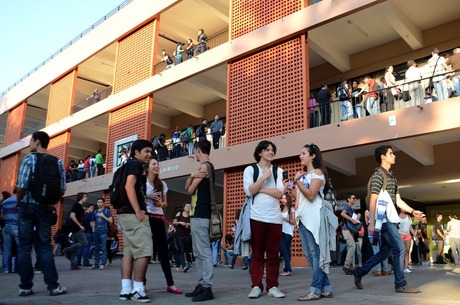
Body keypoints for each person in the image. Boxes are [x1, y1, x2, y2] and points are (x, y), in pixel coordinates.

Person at [353, 144, 422, 294]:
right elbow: (373, 199)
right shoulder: (378, 175)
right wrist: (371, 222)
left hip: (389, 218)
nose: (394, 155)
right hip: (383, 219)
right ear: (383, 157)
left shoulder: (392, 177)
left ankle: (359, 272)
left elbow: (398, 200)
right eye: (391, 153)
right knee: (399, 247)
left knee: (384, 252)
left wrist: (412, 211)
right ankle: (400, 284)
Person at [16, 131, 67, 296]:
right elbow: (62, 189)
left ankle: (25, 286)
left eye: (31, 140)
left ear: (37, 142)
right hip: (45, 208)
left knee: (24, 247)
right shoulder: (57, 162)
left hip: (27, 206)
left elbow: (22, 185)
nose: (30, 143)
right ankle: (53, 286)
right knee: (44, 246)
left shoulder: (29, 159)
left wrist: (18, 202)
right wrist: (50, 202)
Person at [293, 143, 336, 301]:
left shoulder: (318, 172)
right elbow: (301, 198)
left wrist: (297, 181)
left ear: (312, 156)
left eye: (304, 153)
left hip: (314, 216)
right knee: (310, 255)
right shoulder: (304, 175)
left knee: (315, 254)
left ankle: (315, 289)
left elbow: (311, 195)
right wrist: (291, 187)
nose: (300, 156)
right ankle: (326, 288)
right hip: (303, 217)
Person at [244, 140, 285, 299]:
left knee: (274, 255)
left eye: (272, 150)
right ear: (260, 152)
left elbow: (279, 193)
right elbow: (248, 191)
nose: (271, 152)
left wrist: (260, 188)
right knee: (258, 254)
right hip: (256, 216)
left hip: (275, 218)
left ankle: (273, 286)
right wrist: (263, 178)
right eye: (267, 149)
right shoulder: (250, 169)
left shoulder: (278, 171)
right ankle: (256, 286)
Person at [117, 139, 154, 302]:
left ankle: (125, 289)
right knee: (144, 251)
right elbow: (129, 186)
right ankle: (138, 289)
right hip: (133, 214)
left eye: (150, 151)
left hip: (124, 213)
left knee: (129, 252)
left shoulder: (127, 165)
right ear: (136, 152)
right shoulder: (134, 165)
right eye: (146, 151)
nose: (149, 154)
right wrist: (138, 210)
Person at [145, 157, 183, 294]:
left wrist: (160, 204)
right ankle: (141, 283)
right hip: (146, 218)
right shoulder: (142, 183)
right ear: (147, 167)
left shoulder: (162, 184)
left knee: (163, 252)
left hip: (159, 217)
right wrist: (148, 196)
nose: (156, 166)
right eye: (153, 164)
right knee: (146, 251)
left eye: (157, 164)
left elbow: (165, 203)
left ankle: (171, 284)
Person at [184, 140, 215, 302]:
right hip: (197, 214)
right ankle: (202, 284)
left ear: (197, 150)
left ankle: (207, 287)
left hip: (202, 214)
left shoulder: (205, 167)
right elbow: (187, 186)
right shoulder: (202, 167)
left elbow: (189, 189)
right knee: (198, 252)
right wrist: (191, 175)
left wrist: (193, 176)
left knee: (203, 252)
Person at [63, 192, 89, 270]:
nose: (86, 198)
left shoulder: (80, 206)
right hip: (76, 228)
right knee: (84, 242)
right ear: (80, 197)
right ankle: (66, 250)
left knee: (74, 247)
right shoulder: (77, 205)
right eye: (85, 196)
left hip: (74, 228)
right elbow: (72, 215)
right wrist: (79, 225)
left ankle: (73, 264)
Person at [1, 189, 19, 273]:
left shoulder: (5, 202)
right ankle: (20, 267)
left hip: (6, 225)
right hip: (17, 226)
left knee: (6, 248)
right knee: (21, 247)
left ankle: (6, 268)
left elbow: (1, 216)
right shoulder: (20, 201)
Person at [341, 193, 359, 275]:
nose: (354, 199)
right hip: (346, 230)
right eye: (353, 198)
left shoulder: (351, 208)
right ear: (348, 199)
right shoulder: (347, 206)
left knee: (350, 247)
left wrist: (357, 217)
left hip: (348, 230)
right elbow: (342, 213)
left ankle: (349, 266)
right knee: (352, 246)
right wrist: (352, 220)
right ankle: (347, 266)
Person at [92, 198, 112, 270]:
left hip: (103, 232)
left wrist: (103, 216)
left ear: (104, 203)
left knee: (103, 248)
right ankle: (96, 264)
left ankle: (102, 264)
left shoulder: (107, 211)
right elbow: (93, 221)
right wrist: (93, 231)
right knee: (96, 248)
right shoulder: (95, 211)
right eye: (98, 202)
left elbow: (111, 221)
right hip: (96, 232)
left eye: (101, 202)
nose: (99, 203)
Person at [173, 203, 193, 272]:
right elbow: (174, 222)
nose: (188, 208)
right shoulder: (179, 213)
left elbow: (194, 224)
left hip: (187, 235)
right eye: (187, 206)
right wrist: (180, 222)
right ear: (184, 207)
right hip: (179, 235)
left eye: (189, 207)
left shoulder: (191, 216)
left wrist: (189, 224)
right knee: (181, 250)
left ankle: (177, 265)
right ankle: (184, 266)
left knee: (185, 250)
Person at [279, 192, 295, 276]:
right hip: (280, 231)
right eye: (282, 198)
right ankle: (288, 269)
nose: (283, 200)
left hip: (288, 232)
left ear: (288, 199)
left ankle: (287, 269)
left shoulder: (291, 209)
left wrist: (284, 218)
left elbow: (293, 222)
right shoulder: (280, 208)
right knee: (284, 250)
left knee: (286, 250)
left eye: (285, 198)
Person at [77, 203, 94, 267]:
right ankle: (85, 261)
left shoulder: (83, 216)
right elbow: (91, 225)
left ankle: (78, 262)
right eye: (91, 208)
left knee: (80, 248)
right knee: (86, 248)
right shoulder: (89, 216)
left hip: (82, 233)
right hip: (88, 233)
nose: (92, 209)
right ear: (87, 208)